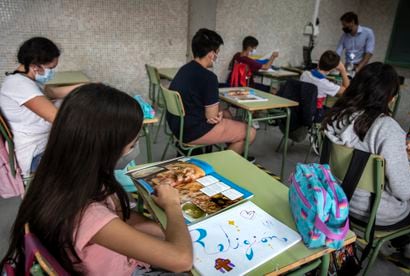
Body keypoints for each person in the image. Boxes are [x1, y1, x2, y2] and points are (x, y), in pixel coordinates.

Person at [1, 84, 193, 274]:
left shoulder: (59, 176)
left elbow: (121, 218)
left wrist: (165, 229)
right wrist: (172, 205)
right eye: (132, 145)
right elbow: (181, 260)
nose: (134, 151)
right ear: (106, 150)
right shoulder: (87, 213)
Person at [322, 62, 410, 258]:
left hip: (336, 200)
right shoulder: (386, 128)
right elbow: (404, 191)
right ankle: (407, 244)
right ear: (388, 96)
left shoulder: (336, 115)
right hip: (372, 214)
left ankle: (404, 242)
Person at [0, 37, 82, 177]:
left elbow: (52, 92)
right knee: (88, 157)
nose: (52, 72)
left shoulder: (25, 80)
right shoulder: (19, 85)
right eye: (50, 68)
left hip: (44, 143)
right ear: (35, 66)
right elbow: (59, 120)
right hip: (36, 154)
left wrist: (86, 87)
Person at [166, 28, 256, 156]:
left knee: (226, 113)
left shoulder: (184, 69)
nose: (217, 56)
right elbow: (211, 117)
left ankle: (233, 150)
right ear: (211, 54)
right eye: (217, 52)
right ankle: (223, 166)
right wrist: (217, 113)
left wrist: (219, 112)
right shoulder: (209, 78)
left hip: (177, 126)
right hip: (192, 131)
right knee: (250, 132)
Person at [300, 50, 350, 122]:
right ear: (333, 68)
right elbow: (348, 90)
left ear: (319, 61)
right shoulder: (325, 84)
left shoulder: (305, 74)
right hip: (315, 113)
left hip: (302, 109)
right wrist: (343, 70)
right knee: (340, 112)